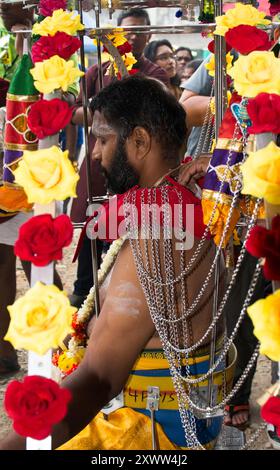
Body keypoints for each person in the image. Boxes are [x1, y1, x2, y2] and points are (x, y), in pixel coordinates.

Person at [0, 76, 233, 450]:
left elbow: (98, 379)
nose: (94, 153)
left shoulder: (160, 235)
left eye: (104, 139)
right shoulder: (180, 199)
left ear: (140, 141)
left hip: (151, 438)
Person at [69, 8, 170, 309]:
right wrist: (106, 126)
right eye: (127, 32)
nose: (132, 38)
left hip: (136, 165)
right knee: (92, 221)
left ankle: (127, 290)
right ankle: (83, 290)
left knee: (131, 228)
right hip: (99, 163)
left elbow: (158, 111)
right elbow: (73, 112)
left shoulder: (156, 74)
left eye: (139, 32)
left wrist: (106, 119)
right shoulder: (97, 72)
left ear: (149, 35)